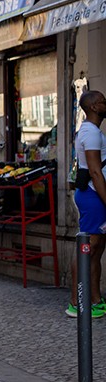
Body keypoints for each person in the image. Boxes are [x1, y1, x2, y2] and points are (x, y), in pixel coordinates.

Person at [71, 90, 106, 318]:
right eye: (102, 101)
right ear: (93, 106)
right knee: (88, 248)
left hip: (95, 196)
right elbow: (94, 171)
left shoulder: (91, 131)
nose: (105, 103)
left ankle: (95, 300)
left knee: (96, 250)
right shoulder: (91, 133)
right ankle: (76, 302)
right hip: (95, 197)